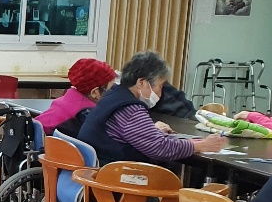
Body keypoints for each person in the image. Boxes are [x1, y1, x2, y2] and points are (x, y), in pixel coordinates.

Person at [77, 51, 228, 166]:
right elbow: (160, 148)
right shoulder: (131, 109)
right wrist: (201, 145)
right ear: (142, 82)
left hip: (97, 175)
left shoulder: (113, 96)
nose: (161, 94)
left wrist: (153, 133)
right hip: (116, 183)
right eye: (160, 86)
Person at [36, 58, 116, 137]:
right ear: (94, 93)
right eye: (112, 88)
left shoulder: (67, 99)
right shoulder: (86, 115)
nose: (115, 92)